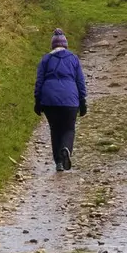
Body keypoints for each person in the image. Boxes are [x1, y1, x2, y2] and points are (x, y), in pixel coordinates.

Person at [34, 28, 88, 171]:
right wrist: (82, 102)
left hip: (49, 101)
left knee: (55, 129)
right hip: (70, 101)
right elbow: (80, 83)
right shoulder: (73, 59)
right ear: (65, 45)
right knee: (69, 129)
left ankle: (58, 162)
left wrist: (37, 101)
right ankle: (65, 149)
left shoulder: (45, 59)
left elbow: (39, 82)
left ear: (53, 45)